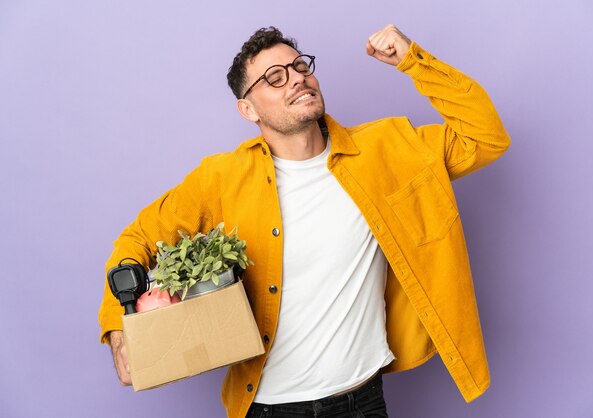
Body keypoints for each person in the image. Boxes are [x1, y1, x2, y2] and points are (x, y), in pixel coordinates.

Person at [99, 24, 510, 418]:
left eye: (300, 67)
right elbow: (138, 238)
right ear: (247, 108)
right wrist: (118, 328)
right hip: (266, 408)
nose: (296, 79)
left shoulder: (388, 148)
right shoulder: (222, 178)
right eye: (274, 78)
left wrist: (414, 61)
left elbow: (485, 138)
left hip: (362, 402)